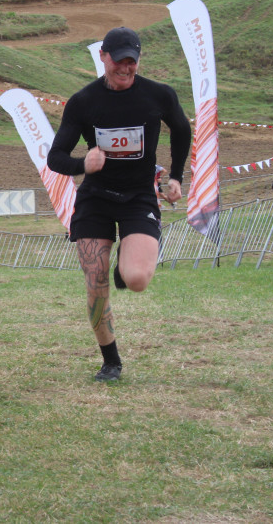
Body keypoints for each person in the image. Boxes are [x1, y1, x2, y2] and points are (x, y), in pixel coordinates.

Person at [47, 26, 192, 382]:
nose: (126, 69)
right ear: (104, 58)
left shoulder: (158, 95)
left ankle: (124, 266)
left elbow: (182, 129)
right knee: (95, 284)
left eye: (133, 62)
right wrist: (84, 165)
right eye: (119, 62)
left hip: (139, 195)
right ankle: (111, 361)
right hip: (96, 198)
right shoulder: (83, 102)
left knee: (137, 279)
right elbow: (55, 158)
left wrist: (175, 177)